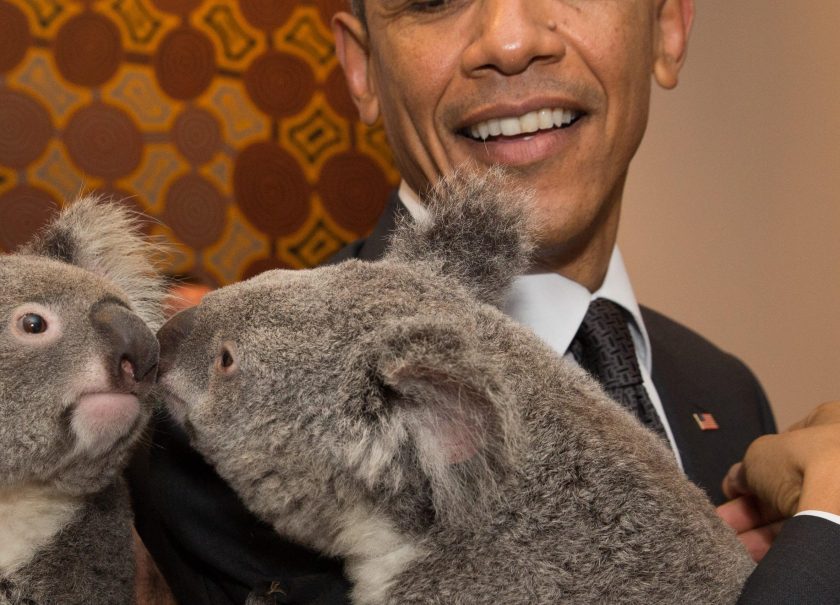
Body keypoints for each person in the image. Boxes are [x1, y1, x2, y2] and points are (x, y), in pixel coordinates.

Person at [129, 1, 840, 603]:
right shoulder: (234, 412)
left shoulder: (722, 387)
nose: (510, 40)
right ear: (361, 67)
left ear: (668, 26)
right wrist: (824, 539)